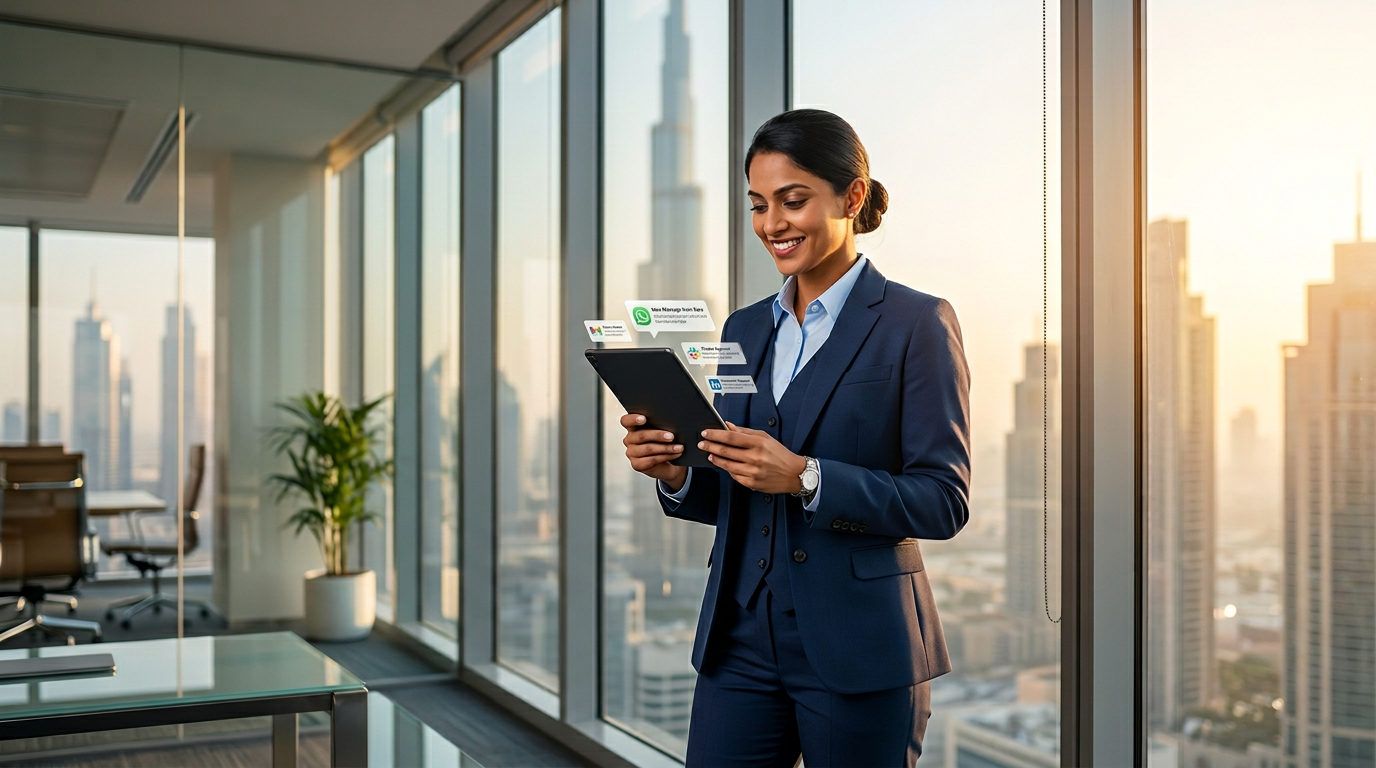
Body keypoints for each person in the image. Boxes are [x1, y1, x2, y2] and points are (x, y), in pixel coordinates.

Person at [619, 108, 971, 767]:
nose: (772, 224)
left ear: (852, 196)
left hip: (861, 648)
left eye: (793, 200)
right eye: (758, 205)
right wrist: (675, 475)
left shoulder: (917, 323)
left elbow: (943, 500)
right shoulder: (743, 330)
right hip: (739, 642)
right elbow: (734, 484)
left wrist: (808, 476)